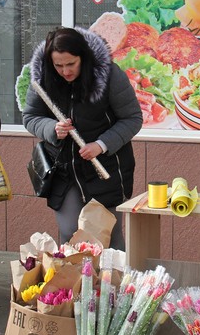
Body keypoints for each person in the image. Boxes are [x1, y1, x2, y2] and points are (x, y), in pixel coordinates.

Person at [22, 27, 142, 250]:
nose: (65, 71)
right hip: (64, 169)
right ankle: (72, 284)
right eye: (58, 65)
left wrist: (101, 145)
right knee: (69, 232)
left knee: (108, 234)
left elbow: (133, 119)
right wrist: (52, 128)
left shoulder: (109, 75)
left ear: (83, 58)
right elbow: (30, 117)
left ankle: (113, 283)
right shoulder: (42, 78)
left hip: (105, 168)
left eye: (71, 64)